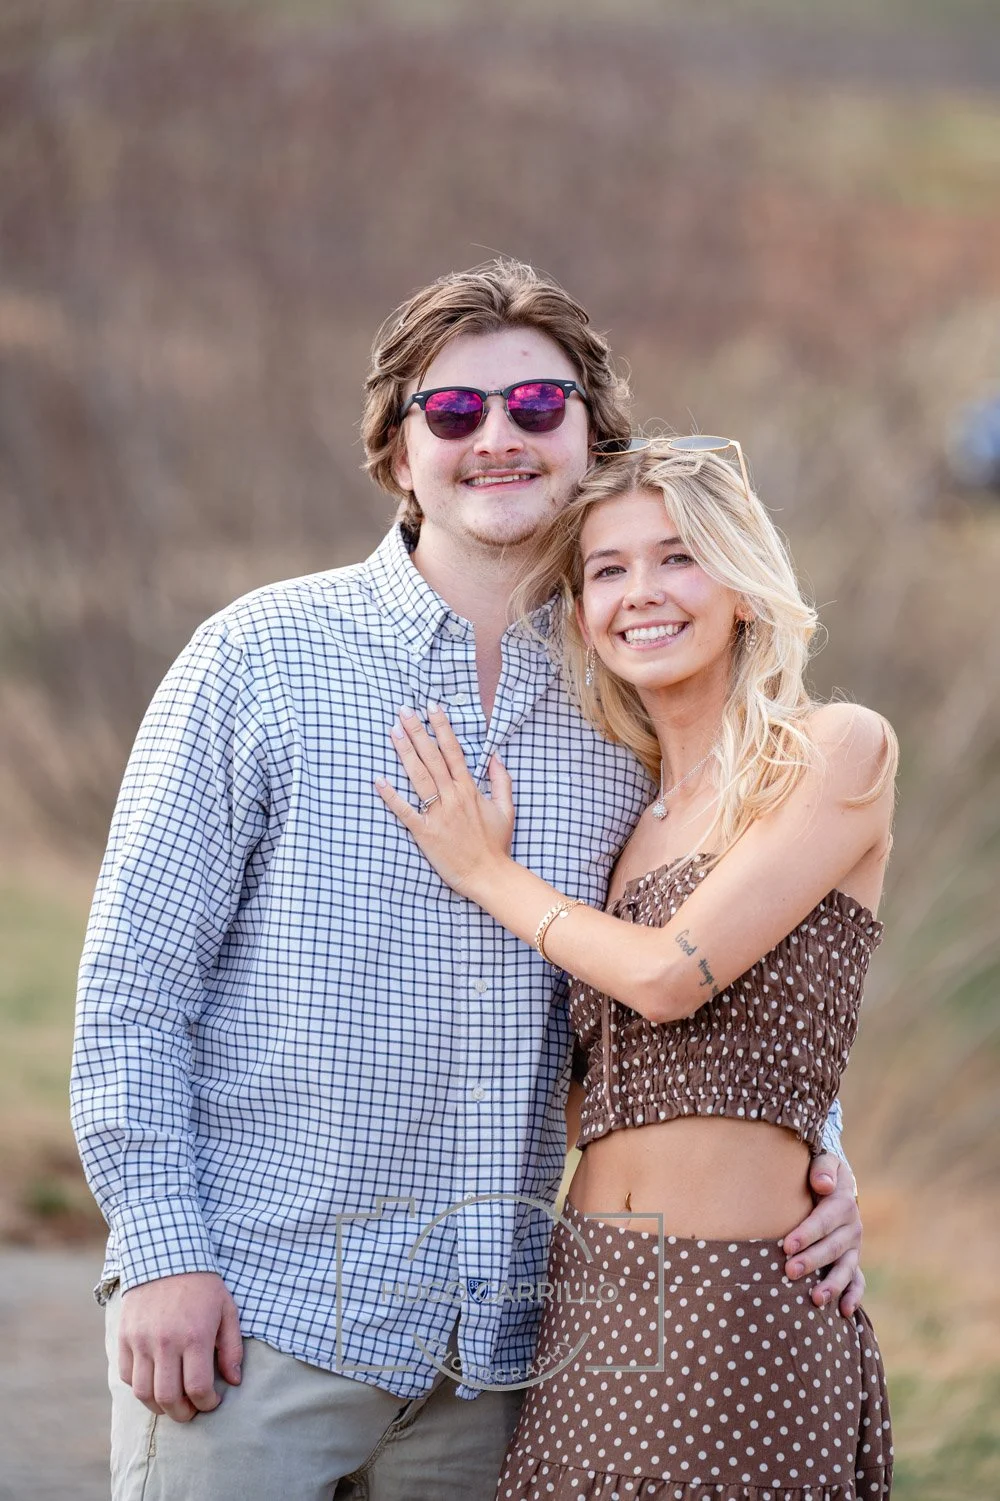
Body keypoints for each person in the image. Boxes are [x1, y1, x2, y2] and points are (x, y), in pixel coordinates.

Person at [71, 262, 865, 1501]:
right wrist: (162, 1251)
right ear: (398, 453)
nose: (497, 437)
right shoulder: (259, 658)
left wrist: (814, 1156)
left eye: (537, 408)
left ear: (589, 439)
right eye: (453, 414)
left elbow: (712, 959)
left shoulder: (629, 708)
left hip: (499, 1358)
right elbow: (133, 986)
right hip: (255, 1325)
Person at [377, 438, 896, 1500]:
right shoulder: (632, 820)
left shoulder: (837, 751)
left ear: (742, 587)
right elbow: (613, 1094)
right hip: (588, 1301)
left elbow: (669, 978)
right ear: (577, 614)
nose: (641, 594)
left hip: (730, 1300)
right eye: (607, 570)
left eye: (677, 558)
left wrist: (487, 871)